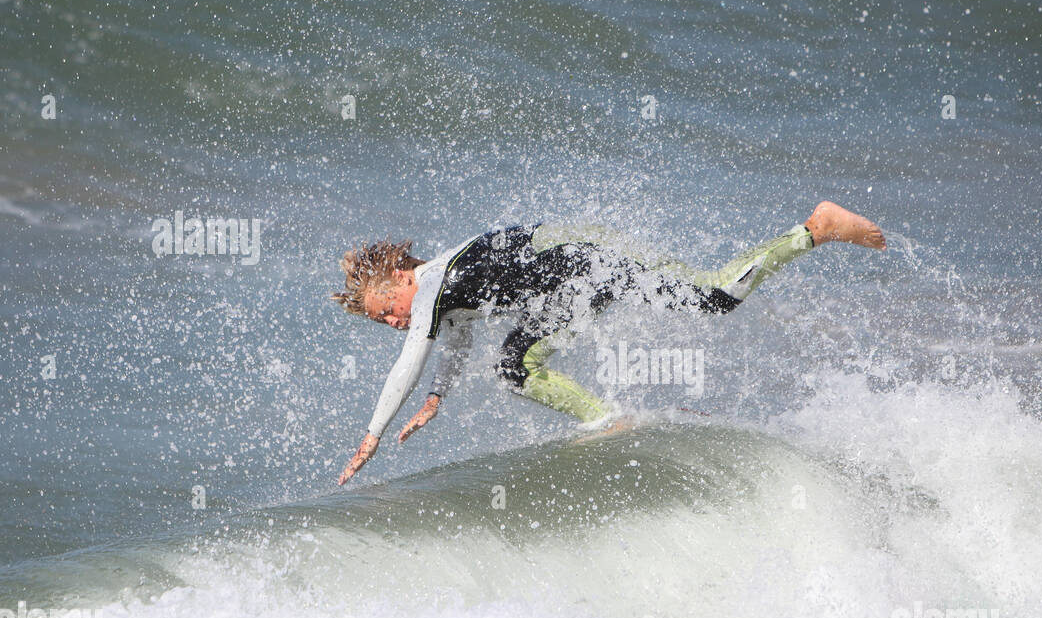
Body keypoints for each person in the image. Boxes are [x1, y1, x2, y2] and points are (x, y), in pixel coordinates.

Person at [333, 201, 886, 485]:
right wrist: (436, 399)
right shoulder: (443, 289)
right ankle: (606, 420)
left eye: (388, 313)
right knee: (514, 368)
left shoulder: (430, 283)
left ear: (402, 279)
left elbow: (412, 357)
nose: (394, 325)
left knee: (716, 296)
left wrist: (371, 435)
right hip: (571, 283)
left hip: (589, 260)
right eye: (384, 323)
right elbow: (457, 334)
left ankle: (814, 228)